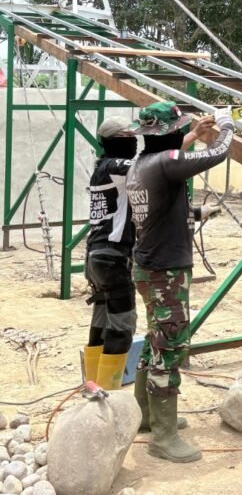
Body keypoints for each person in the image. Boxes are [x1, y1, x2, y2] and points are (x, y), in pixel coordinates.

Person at [126, 101, 233, 462]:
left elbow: (171, 157)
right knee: (169, 349)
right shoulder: (167, 164)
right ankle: (164, 437)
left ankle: (145, 416)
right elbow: (218, 152)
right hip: (166, 272)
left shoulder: (142, 166)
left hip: (148, 267)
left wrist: (189, 135)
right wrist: (226, 125)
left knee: (156, 341)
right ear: (168, 133)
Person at [83, 116, 138, 390]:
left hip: (97, 257)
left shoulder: (103, 166)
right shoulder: (118, 167)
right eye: (129, 136)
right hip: (112, 257)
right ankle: (109, 396)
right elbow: (153, 166)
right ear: (116, 141)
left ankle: (93, 389)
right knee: (122, 327)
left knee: (102, 323)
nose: (135, 140)